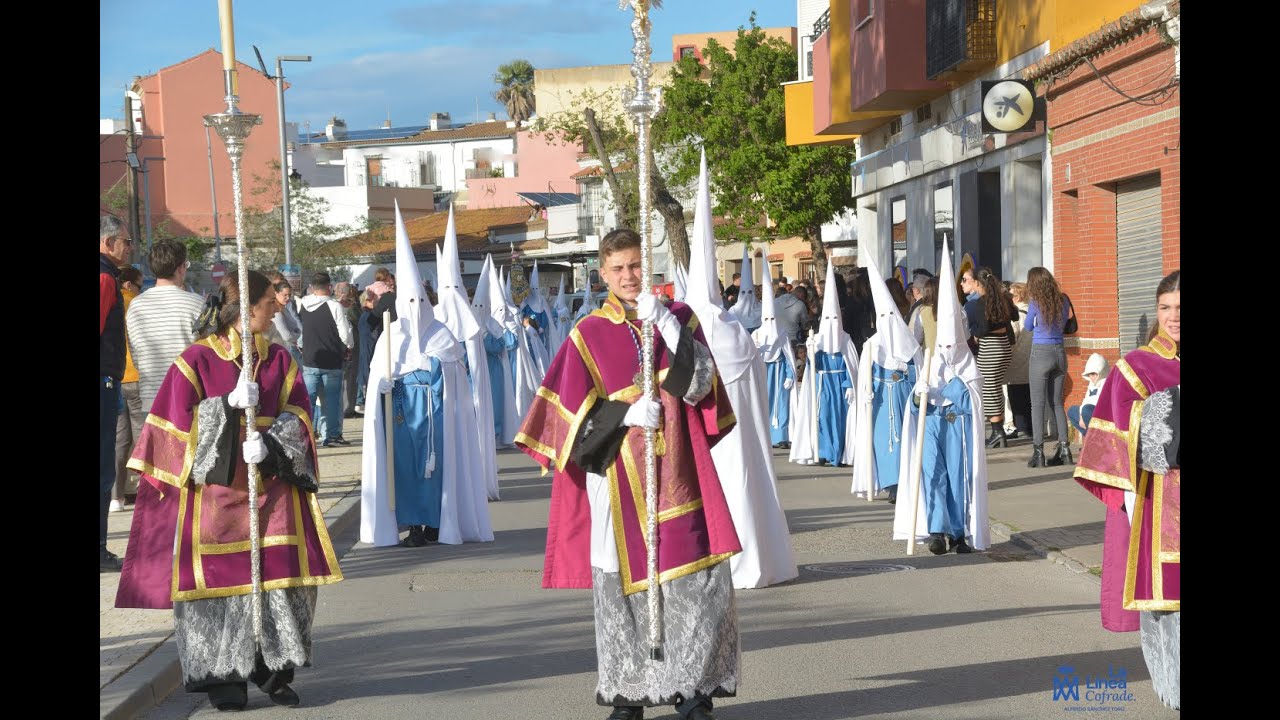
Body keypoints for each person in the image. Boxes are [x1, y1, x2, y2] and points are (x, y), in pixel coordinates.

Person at [516, 227, 741, 720]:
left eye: (636, 266)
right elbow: (565, 427)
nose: (629, 276)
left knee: (695, 587)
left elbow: (703, 387)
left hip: (680, 475)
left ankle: (696, 691)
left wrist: (666, 323)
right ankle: (627, 693)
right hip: (617, 481)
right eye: (618, 269)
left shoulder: (678, 318)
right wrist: (624, 415)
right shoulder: (588, 335)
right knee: (618, 589)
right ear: (602, 274)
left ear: (649, 266)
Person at [115, 269, 343, 711]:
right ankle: (224, 680)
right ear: (245, 307)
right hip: (215, 497)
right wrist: (223, 410)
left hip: (271, 487)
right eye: (268, 302)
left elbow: (301, 411)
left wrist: (273, 442)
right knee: (220, 586)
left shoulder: (280, 359)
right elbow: (168, 430)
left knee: (279, 579)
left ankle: (273, 669)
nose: (277, 306)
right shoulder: (196, 360)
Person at [682, 153, 797, 589]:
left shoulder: (691, 330)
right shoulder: (735, 331)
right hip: (738, 434)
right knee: (744, 487)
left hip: (711, 437)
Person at [1074, 270, 1179, 711]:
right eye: (1166, 308)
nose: (1174, 317)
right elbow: (1107, 443)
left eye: (1181, 309)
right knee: (1171, 608)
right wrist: (1159, 418)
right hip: (1162, 506)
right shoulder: (1134, 367)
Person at [360, 207, 493, 548]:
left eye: (420, 299)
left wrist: (431, 371)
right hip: (402, 418)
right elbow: (377, 377)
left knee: (434, 472)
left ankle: (437, 522)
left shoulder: (442, 335)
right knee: (404, 471)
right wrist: (382, 386)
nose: (416, 306)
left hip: (436, 417)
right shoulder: (391, 338)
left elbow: (453, 374)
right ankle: (414, 526)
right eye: (410, 301)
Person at [893, 237, 990, 556]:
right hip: (933, 425)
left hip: (958, 429)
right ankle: (936, 530)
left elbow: (973, 400)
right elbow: (917, 403)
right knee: (932, 473)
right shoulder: (931, 356)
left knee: (958, 477)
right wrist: (919, 396)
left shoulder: (967, 364)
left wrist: (951, 388)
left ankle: (959, 532)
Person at [851, 255, 921, 505]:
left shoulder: (909, 342)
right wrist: (866, 391)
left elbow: (918, 369)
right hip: (880, 400)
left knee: (904, 440)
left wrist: (911, 381)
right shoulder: (872, 344)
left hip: (903, 397)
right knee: (884, 442)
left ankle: (906, 481)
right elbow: (865, 373)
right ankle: (889, 483)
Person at [790, 263, 860, 468]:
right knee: (823, 417)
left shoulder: (845, 340)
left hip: (840, 385)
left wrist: (849, 384)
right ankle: (822, 451)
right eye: (827, 318)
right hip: (822, 385)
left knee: (839, 419)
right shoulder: (818, 339)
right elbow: (813, 365)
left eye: (834, 318)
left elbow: (851, 364)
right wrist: (812, 351)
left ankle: (839, 453)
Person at [100, 215, 133, 571]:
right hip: (103, 380)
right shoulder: (105, 277)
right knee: (102, 468)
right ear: (108, 243)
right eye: (125, 240)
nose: (129, 247)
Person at [1023, 266, 1076, 467]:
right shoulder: (1063, 299)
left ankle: (1038, 452)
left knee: (1037, 404)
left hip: (1041, 352)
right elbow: (1064, 325)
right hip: (1059, 352)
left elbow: (1028, 326)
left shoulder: (1036, 302)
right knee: (1057, 402)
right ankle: (1065, 448)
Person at [297, 272, 354, 447]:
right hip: (332, 360)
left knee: (309, 400)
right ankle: (333, 435)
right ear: (329, 287)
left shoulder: (303, 304)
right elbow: (344, 333)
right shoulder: (334, 306)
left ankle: (304, 437)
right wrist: (349, 346)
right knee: (332, 402)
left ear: (313, 287)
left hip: (310, 359)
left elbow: (300, 331)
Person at [961, 266, 1014, 449]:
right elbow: (1013, 316)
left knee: (988, 389)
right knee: (995, 388)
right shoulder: (1001, 299)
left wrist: (974, 333)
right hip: (1004, 345)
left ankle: (998, 432)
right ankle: (998, 431)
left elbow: (982, 329)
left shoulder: (977, 304)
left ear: (976, 282)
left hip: (989, 348)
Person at [113, 266, 144, 512]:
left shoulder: (111, 303)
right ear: (129, 285)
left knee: (120, 440)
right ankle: (144, 491)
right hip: (139, 378)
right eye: (140, 285)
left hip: (116, 378)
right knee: (143, 436)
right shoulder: (137, 305)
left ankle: (117, 496)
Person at [753, 277, 797, 449]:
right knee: (765, 402)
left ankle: (780, 435)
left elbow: (787, 356)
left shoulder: (782, 333)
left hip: (778, 372)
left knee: (781, 403)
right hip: (763, 372)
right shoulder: (756, 334)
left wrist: (789, 374)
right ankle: (764, 435)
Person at [1005, 282, 1033, 440]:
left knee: (1015, 394)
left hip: (1016, 358)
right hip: (1032, 358)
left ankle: (1020, 427)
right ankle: (1029, 427)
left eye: (1011, 295)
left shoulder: (1016, 313)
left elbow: (1013, 335)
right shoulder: (1032, 310)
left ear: (1017, 296)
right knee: (1028, 395)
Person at [1068, 353, 1109, 439]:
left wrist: (1083, 414)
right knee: (1072, 411)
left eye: (1094, 374)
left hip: (1101, 416)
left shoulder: (1107, 382)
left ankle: (1096, 440)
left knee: (1086, 410)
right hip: (1088, 414)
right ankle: (1090, 438)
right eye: (1089, 374)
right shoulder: (1092, 383)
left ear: (1101, 372)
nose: (1091, 377)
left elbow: (1098, 402)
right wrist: (1081, 415)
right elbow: (1086, 399)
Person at [266, 279, 303, 366]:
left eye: (289, 295)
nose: (288, 298)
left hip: (292, 347)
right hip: (287, 348)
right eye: (285, 295)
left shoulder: (285, 308)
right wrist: (298, 334)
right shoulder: (277, 312)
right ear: (276, 294)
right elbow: (287, 336)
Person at [729, 247, 762, 333]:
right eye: (743, 293)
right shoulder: (733, 310)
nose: (747, 295)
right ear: (740, 294)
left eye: (750, 292)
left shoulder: (761, 308)